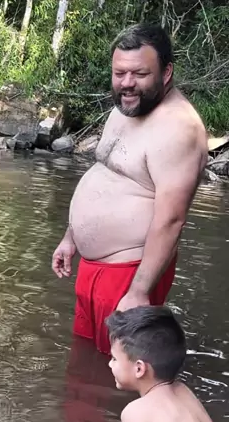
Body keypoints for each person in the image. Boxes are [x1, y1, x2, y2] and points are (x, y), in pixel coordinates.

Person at [52, 24, 208, 354]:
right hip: (93, 269)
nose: (126, 83)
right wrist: (71, 237)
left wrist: (139, 291)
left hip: (128, 273)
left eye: (139, 74)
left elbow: (171, 220)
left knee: (121, 371)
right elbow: (104, 173)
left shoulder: (179, 128)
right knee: (83, 362)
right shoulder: (126, 107)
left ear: (166, 73)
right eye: (119, 73)